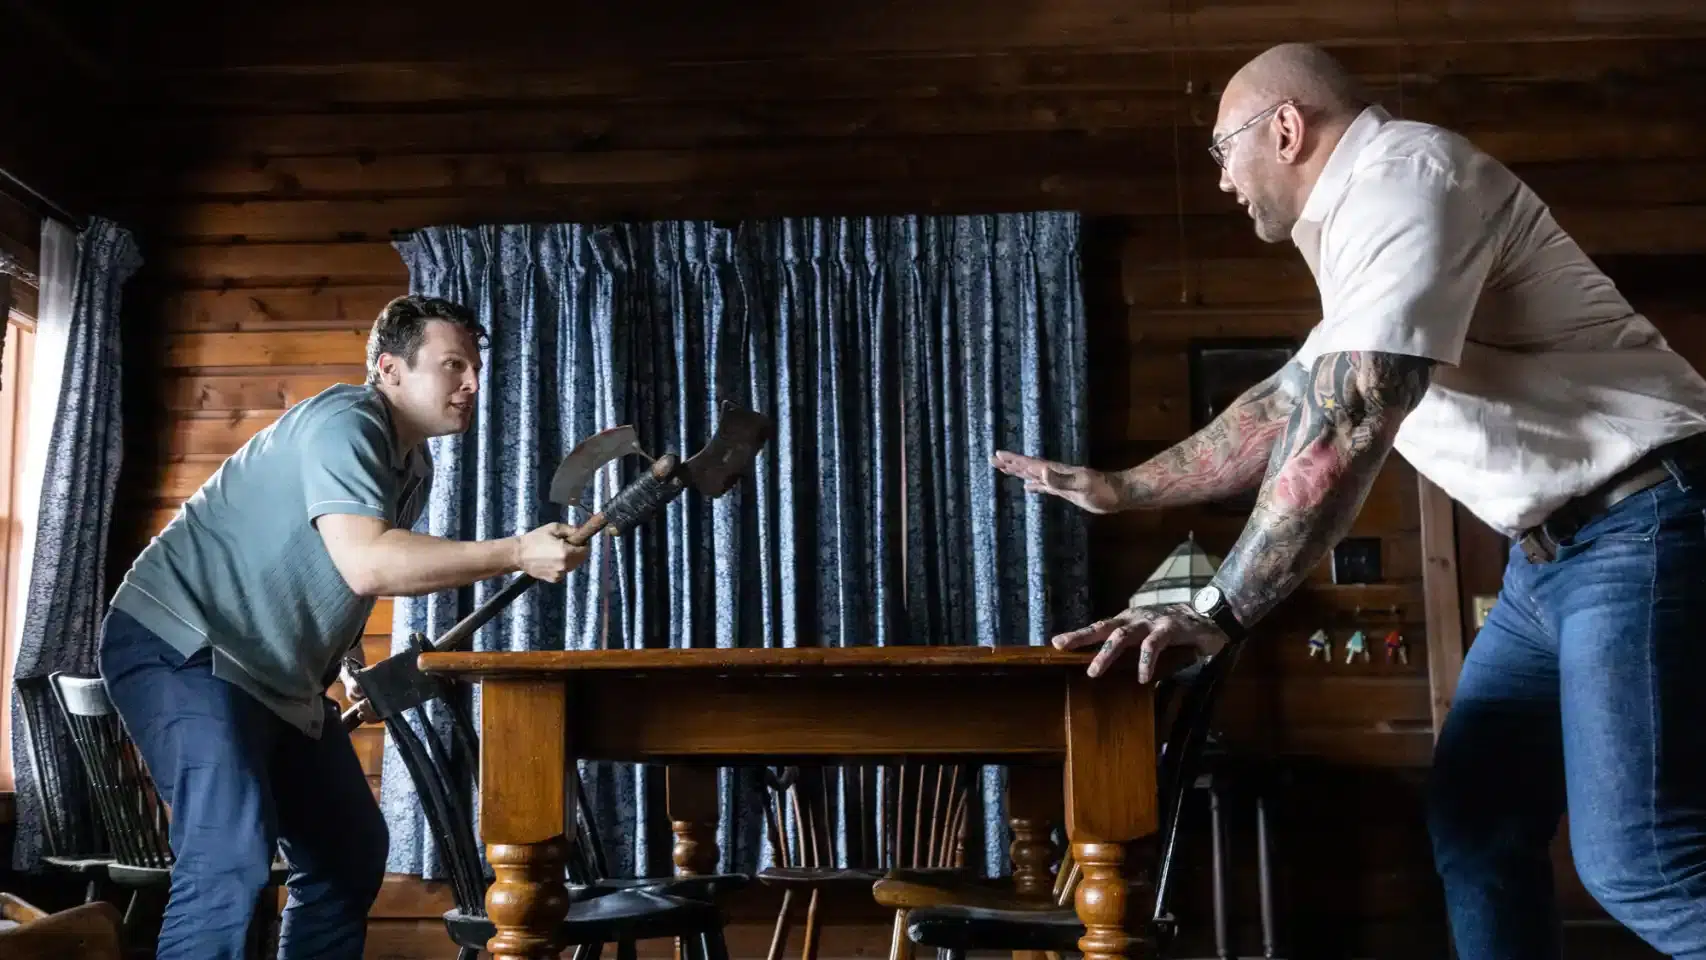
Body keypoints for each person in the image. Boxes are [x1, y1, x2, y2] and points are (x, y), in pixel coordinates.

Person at [994, 41, 1706, 960]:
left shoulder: (1409, 179)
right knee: (1478, 826)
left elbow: (1353, 412)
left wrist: (1218, 609)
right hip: (1549, 559)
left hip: (1642, 520)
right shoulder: (1363, 226)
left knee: (1643, 862)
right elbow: (1287, 403)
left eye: (1222, 151)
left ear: (1285, 128)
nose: (1221, 180)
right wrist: (1125, 489)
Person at [98, 295, 589, 959]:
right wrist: (517, 551)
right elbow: (368, 563)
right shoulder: (347, 422)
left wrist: (347, 662)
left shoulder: (412, 465)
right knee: (229, 858)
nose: (472, 382)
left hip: (274, 678)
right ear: (389, 369)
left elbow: (331, 568)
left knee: (347, 851)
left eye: (474, 366)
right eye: (453, 365)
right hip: (184, 645)